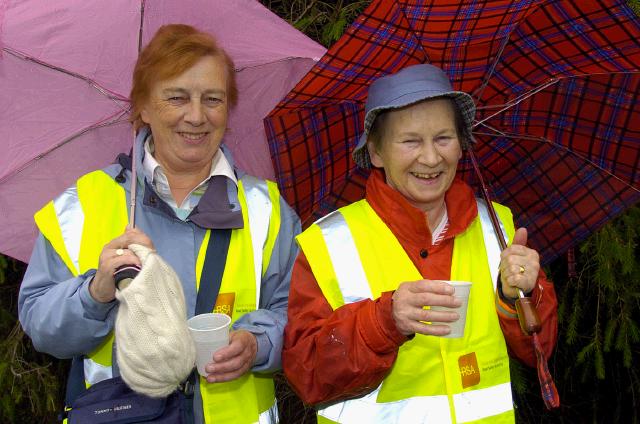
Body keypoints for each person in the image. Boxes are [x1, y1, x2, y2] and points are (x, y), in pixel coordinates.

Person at [18, 24, 300, 423]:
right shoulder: (80, 207)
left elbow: (301, 313)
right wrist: (95, 292)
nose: (197, 116)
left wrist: (259, 343)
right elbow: (41, 326)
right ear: (144, 107)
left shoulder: (267, 211)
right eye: (176, 97)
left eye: (213, 99)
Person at [282, 63, 558, 423]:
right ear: (376, 153)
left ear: (462, 146)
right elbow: (307, 374)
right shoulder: (329, 243)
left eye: (443, 138)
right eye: (410, 141)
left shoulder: (497, 226)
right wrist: (384, 322)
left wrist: (517, 298)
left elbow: (540, 345)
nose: (430, 158)